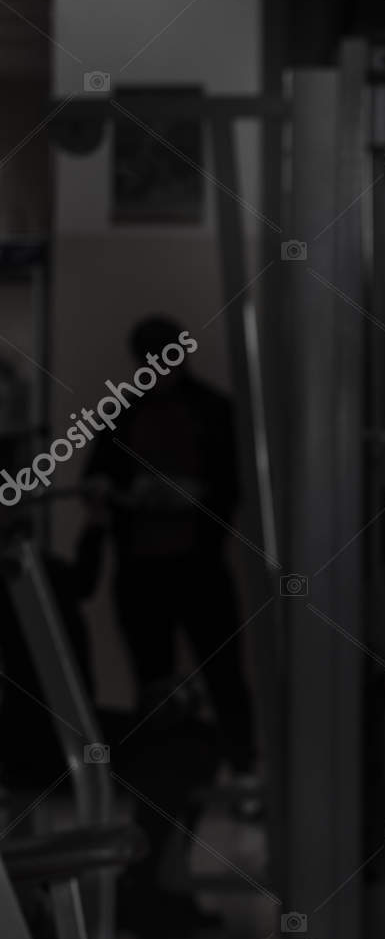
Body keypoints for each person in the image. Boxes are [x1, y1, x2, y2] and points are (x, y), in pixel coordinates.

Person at [84, 315, 255, 774]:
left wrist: (196, 495)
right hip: (141, 568)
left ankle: (243, 769)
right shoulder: (123, 412)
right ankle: (154, 775)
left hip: (198, 565)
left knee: (223, 675)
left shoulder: (214, 411)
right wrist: (119, 493)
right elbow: (96, 477)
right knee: (151, 677)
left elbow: (239, 485)